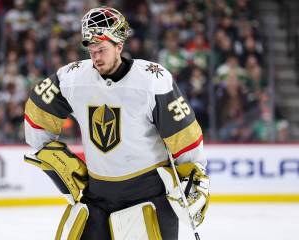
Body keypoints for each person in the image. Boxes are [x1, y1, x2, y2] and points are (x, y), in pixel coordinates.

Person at [24, 7, 209, 240]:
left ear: (119, 46)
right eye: (91, 51)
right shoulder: (72, 78)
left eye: (101, 49)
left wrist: (195, 174)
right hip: (97, 196)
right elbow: (37, 111)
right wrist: (47, 150)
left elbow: (184, 136)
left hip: (148, 197)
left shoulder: (153, 80)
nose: (96, 57)